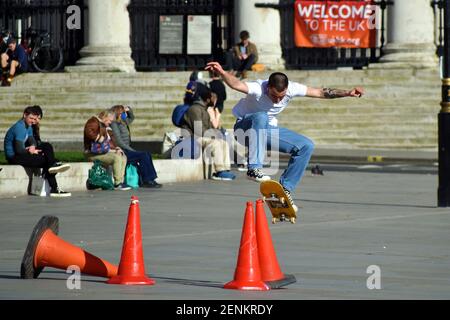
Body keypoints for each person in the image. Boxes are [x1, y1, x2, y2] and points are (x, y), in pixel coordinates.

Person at [205, 61, 364, 209]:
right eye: (274, 96)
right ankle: (253, 168)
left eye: (282, 97)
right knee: (261, 116)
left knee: (306, 146)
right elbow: (235, 84)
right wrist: (221, 71)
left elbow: (321, 92)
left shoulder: (292, 89)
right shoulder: (258, 87)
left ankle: (284, 191)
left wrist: (347, 93)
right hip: (244, 129)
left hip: (266, 132)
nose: (277, 100)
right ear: (268, 87)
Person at [3, 106, 71, 197]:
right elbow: (19, 150)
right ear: (24, 115)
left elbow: (32, 140)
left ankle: (53, 174)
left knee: (47, 147)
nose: (33, 121)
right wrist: (30, 151)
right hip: (14, 157)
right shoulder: (19, 127)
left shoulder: (28, 126)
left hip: (23, 153)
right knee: (49, 161)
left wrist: (32, 146)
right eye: (31, 118)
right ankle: (54, 187)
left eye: (35, 119)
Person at [180, 85, 236, 181]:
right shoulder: (195, 109)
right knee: (216, 143)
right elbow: (198, 130)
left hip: (202, 137)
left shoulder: (204, 109)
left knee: (223, 142)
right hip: (193, 138)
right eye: (212, 98)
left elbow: (209, 127)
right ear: (207, 99)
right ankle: (219, 171)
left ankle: (226, 169)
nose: (214, 101)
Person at [109, 105, 162, 188]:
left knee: (147, 153)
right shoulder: (114, 124)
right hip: (123, 150)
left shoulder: (123, 121)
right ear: (118, 113)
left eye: (124, 113)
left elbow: (132, 118)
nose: (124, 114)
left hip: (127, 149)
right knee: (143, 155)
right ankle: (147, 180)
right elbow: (119, 141)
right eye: (123, 112)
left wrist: (128, 109)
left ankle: (151, 179)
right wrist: (131, 150)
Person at [83, 110, 131, 191]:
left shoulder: (104, 126)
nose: (110, 122)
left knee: (123, 157)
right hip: (92, 153)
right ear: (105, 117)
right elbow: (88, 131)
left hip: (101, 152)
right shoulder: (94, 121)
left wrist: (116, 148)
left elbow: (108, 142)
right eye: (110, 120)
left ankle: (121, 181)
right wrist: (98, 138)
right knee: (116, 158)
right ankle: (117, 183)